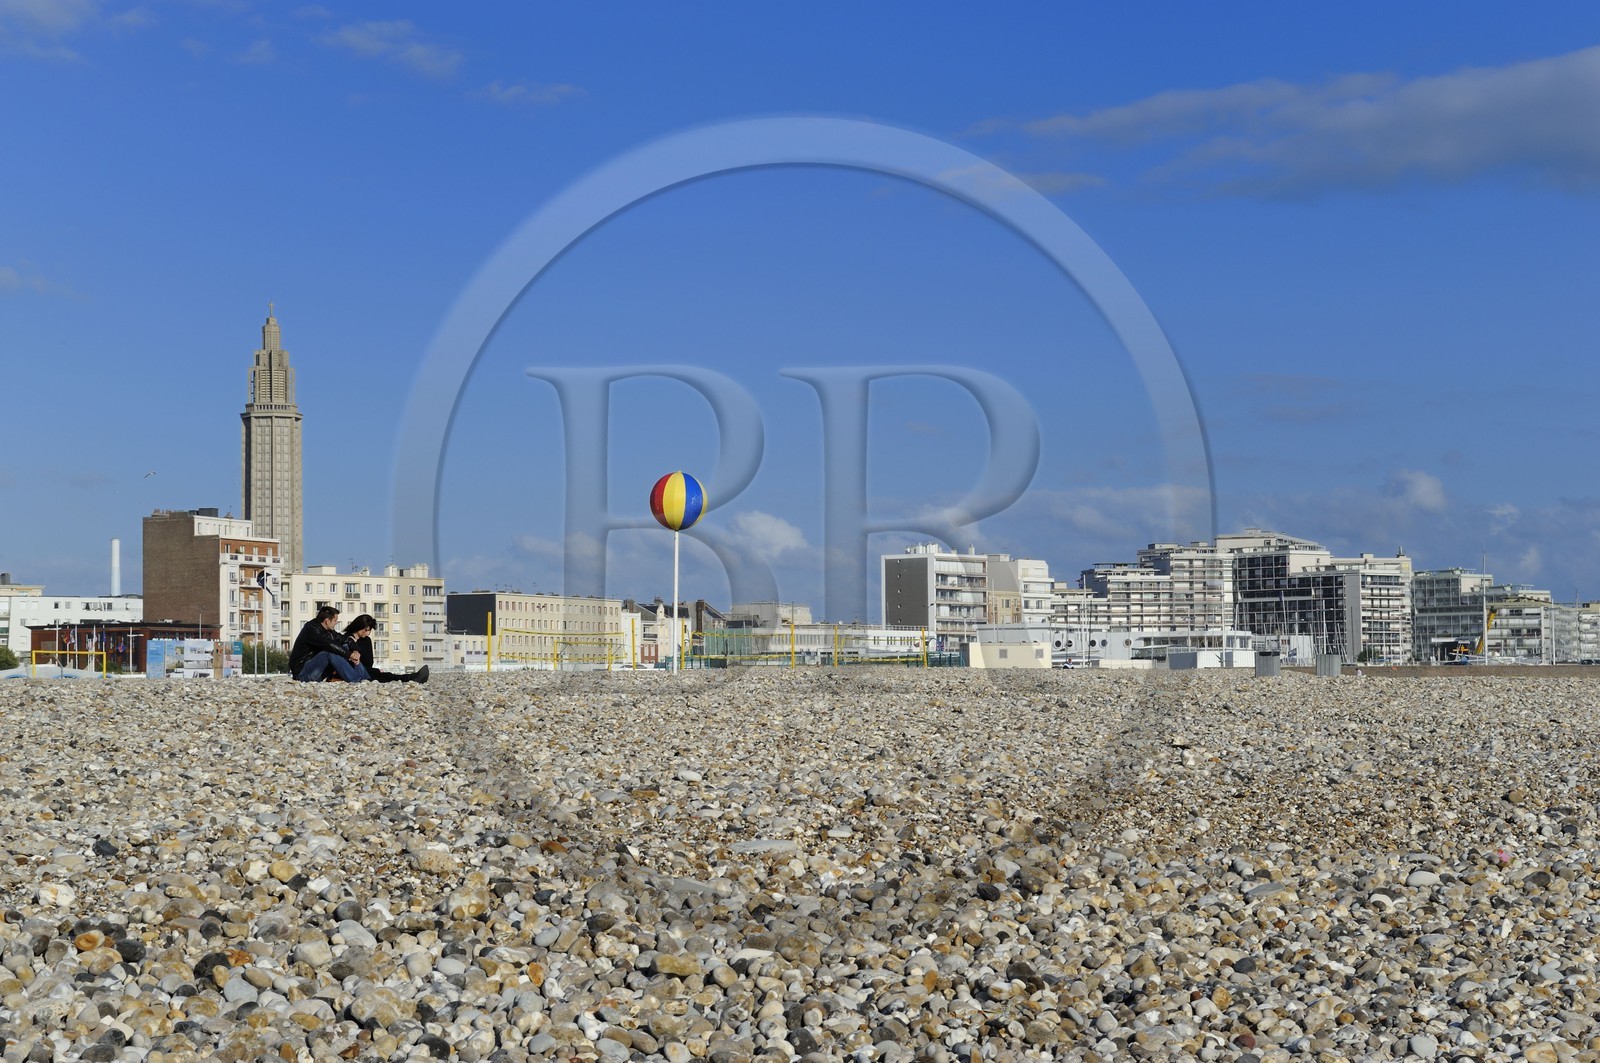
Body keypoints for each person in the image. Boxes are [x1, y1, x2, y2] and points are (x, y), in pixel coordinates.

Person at [289, 605, 369, 682]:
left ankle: (365, 678)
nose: (336, 623)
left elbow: (345, 639)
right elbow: (329, 644)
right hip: (302, 673)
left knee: (346, 646)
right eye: (335, 620)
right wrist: (350, 655)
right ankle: (356, 680)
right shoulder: (311, 629)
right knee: (329, 652)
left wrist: (355, 650)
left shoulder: (328, 630)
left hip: (318, 670)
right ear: (327, 621)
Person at [342, 614, 429, 684]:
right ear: (359, 627)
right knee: (382, 676)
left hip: (366, 670)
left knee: (384, 675)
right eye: (366, 630)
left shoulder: (366, 640)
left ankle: (412, 677)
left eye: (370, 630)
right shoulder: (345, 639)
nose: (368, 633)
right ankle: (411, 678)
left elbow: (369, 662)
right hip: (353, 672)